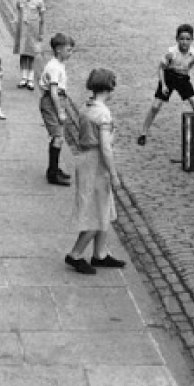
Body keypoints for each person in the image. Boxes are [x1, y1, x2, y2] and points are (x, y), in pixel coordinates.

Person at [65, 68, 127, 275]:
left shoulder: (86, 106)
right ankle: (75, 254)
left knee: (103, 207)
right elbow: (105, 148)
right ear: (109, 87)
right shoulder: (103, 113)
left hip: (85, 159)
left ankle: (100, 253)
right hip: (96, 163)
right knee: (97, 212)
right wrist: (114, 173)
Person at [137, 24, 194, 146]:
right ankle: (143, 133)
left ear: (192, 40)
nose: (185, 42)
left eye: (188, 39)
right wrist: (164, 85)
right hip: (169, 77)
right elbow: (161, 68)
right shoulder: (171, 53)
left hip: (183, 79)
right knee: (156, 106)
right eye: (182, 38)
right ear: (177, 39)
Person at [39, 32, 75, 186]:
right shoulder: (54, 67)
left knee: (58, 136)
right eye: (69, 50)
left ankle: (54, 168)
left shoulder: (58, 65)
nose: (70, 53)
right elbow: (53, 92)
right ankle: (52, 172)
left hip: (59, 99)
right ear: (59, 49)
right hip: (52, 102)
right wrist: (60, 110)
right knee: (58, 137)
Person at [13, 0, 46, 89]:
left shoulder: (38, 2)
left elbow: (42, 19)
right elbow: (18, 14)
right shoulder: (20, 1)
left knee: (31, 55)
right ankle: (23, 77)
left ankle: (30, 78)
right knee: (23, 54)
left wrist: (41, 33)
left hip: (33, 31)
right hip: (22, 32)